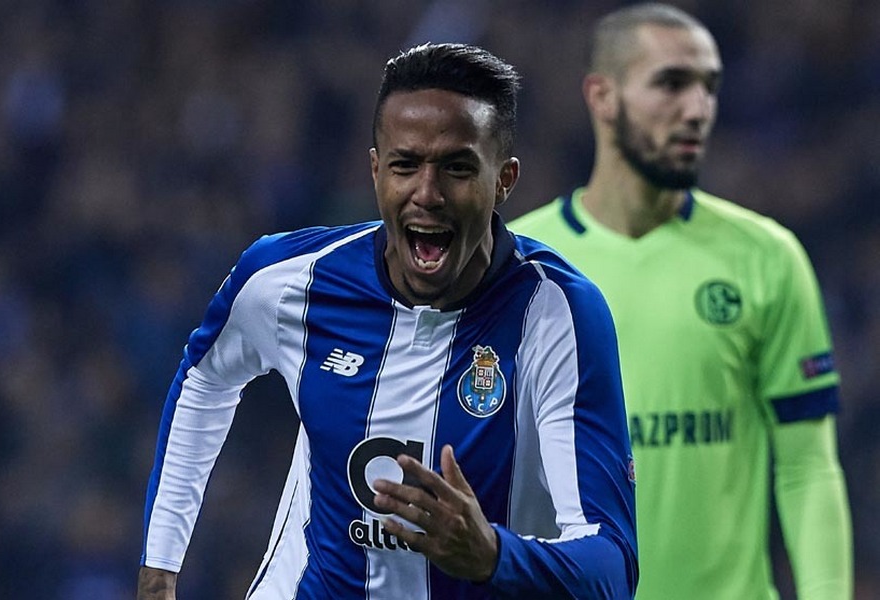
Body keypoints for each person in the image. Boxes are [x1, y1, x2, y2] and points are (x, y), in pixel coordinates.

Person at [137, 42, 638, 599]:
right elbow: (205, 378)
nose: (428, 193)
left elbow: (611, 568)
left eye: (457, 168)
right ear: (376, 170)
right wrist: (159, 569)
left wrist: (493, 556)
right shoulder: (290, 279)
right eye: (405, 165)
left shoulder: (556, 316)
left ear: (504, 180)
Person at [509, 3, 853, 599]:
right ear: (602, 96)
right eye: (671, 83)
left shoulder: (767, 258)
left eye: (709, 87)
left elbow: (807, 466)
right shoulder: (521, 265)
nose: (697, 109)